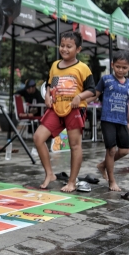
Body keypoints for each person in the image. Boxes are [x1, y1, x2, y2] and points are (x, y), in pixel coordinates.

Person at [33, 31, 95, 192]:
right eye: (62, 45)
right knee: (38, 138)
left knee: (75, 145)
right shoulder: (55, 66)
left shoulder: (83, 68)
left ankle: (72, 182)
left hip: (75, 110)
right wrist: (47, 95)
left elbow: (92, 90)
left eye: (69, 46)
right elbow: (51, 84)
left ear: (78, 49)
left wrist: (79, 97)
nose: (64, 49)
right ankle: (50, 174)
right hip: (56, 108)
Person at [85, 51, 129, 191]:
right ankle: (112, 181)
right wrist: (81, 101)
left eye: (124, 68)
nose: (121, 70)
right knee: (111, 150)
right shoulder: (105, 79)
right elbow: (95, 95)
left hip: (122, 121)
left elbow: (128, 103)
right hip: (108, 119)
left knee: (124, 151)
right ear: (112, 65)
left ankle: (103, 164)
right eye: (118, 66)